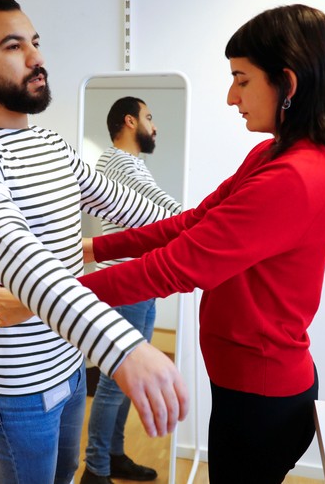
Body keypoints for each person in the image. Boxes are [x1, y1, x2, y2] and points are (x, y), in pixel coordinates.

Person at [0, 4, 325, 483]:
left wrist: (42, 298)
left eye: (242, 80)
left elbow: (177, 266)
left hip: (262, 395)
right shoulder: (273, 154)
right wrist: (92, 250)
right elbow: (192, 222)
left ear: (287, 84)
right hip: (246, 384)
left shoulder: (294, 176)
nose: (232, 96)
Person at [0, 0, 188, 484]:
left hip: (68, 361)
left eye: (35, 42)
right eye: (13, 46)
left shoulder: (48, 143)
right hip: (17, 381)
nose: (36, 58)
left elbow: (128, 206)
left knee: (65, 473)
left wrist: (210, 224)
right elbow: (24, 262)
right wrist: (125, 349)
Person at [81, 97, 182, 484]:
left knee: (126, 379)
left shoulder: (131, 164)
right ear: (129, 120)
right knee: (115, 379)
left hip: (139, 279)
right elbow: (163, 209)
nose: (154, 126)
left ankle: (113, 455)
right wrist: (204, 220)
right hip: (125, 284)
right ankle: (96, 469)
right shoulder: (118, 163)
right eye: (149, 117)